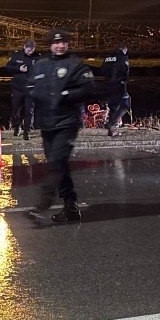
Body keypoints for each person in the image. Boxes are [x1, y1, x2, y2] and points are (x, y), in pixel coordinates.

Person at [29, 28, 94, 222]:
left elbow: (88, 88)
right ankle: (71, 207)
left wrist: (65, 95)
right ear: (50, 45)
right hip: (47, 123)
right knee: (58, 165)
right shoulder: (40, 65)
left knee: (56, 162)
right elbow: (31, 87)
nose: (60, 46)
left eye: (64, 42)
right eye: (56, 42)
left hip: (67, 122)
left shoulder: (76, 65)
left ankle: (44, 202)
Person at [4, 39, 38, 140]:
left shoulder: (37, 57)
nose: (30, 52)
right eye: (28, 50)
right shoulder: (16, 56)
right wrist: (18, 69)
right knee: (15, 111)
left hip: (31, 89)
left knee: (29, 112)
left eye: (32, 50)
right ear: (24, 47)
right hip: (17, 89)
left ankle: (27, 131)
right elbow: (8, 68)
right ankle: (17, 126)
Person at [101, 43, 131, 135]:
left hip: (108, 85)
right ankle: (112, 124)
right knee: (126, 104)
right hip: (119, 85)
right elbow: (125, 71)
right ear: (123, 50)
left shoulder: (107, 58)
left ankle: (111, 129)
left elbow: (102, 70)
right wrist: (124, 80)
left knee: (113, 106)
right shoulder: (123, 57)